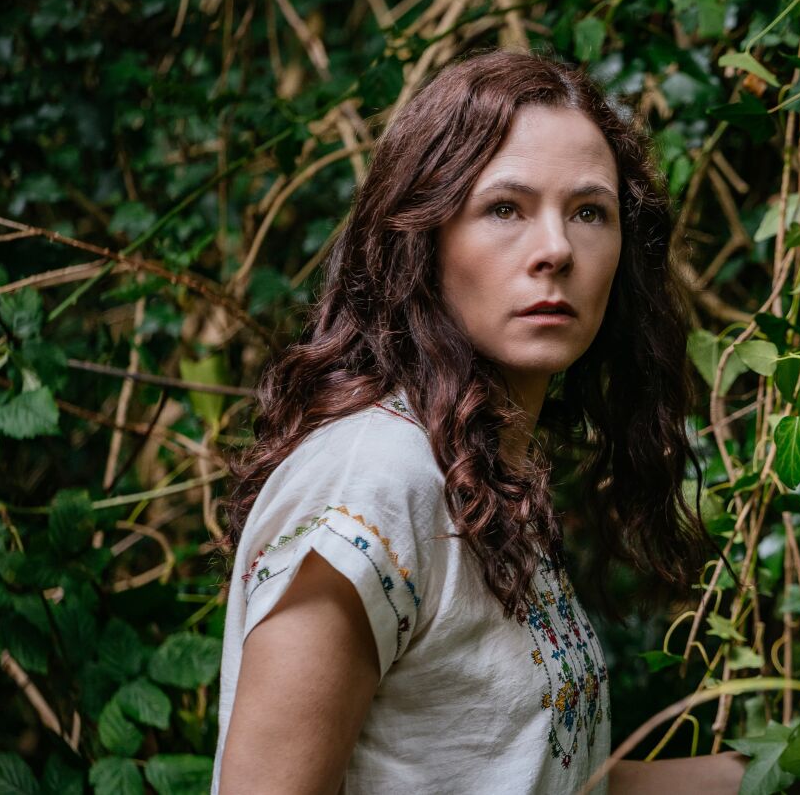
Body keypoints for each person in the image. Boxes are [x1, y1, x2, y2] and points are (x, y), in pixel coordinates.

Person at [212, 49, 762, 794]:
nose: (556, 249)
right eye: (505, 208)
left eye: (589, 212)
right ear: (424, 237)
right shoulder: (376, 480)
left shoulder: (481, 473)